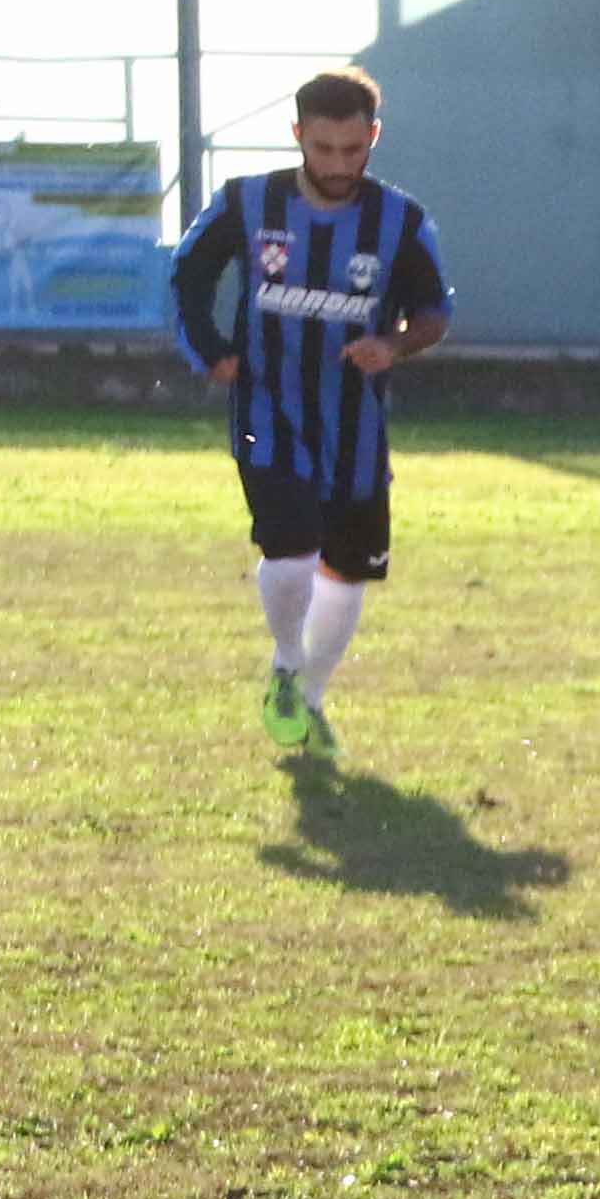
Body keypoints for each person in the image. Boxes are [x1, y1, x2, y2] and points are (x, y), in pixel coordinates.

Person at [175, 67, 450, 764]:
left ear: (373, 138)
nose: (337, 165)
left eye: (352, 150)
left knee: (345, 573)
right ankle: (286, 664)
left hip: (355, 426)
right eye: (322, 148)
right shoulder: (247, 202)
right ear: (297, 135)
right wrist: (211, 350)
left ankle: (312, 696)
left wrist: (392, 344)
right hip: (265, 409)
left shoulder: (401, 220)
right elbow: (187, 277)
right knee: (293, 548)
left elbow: (434, 312)